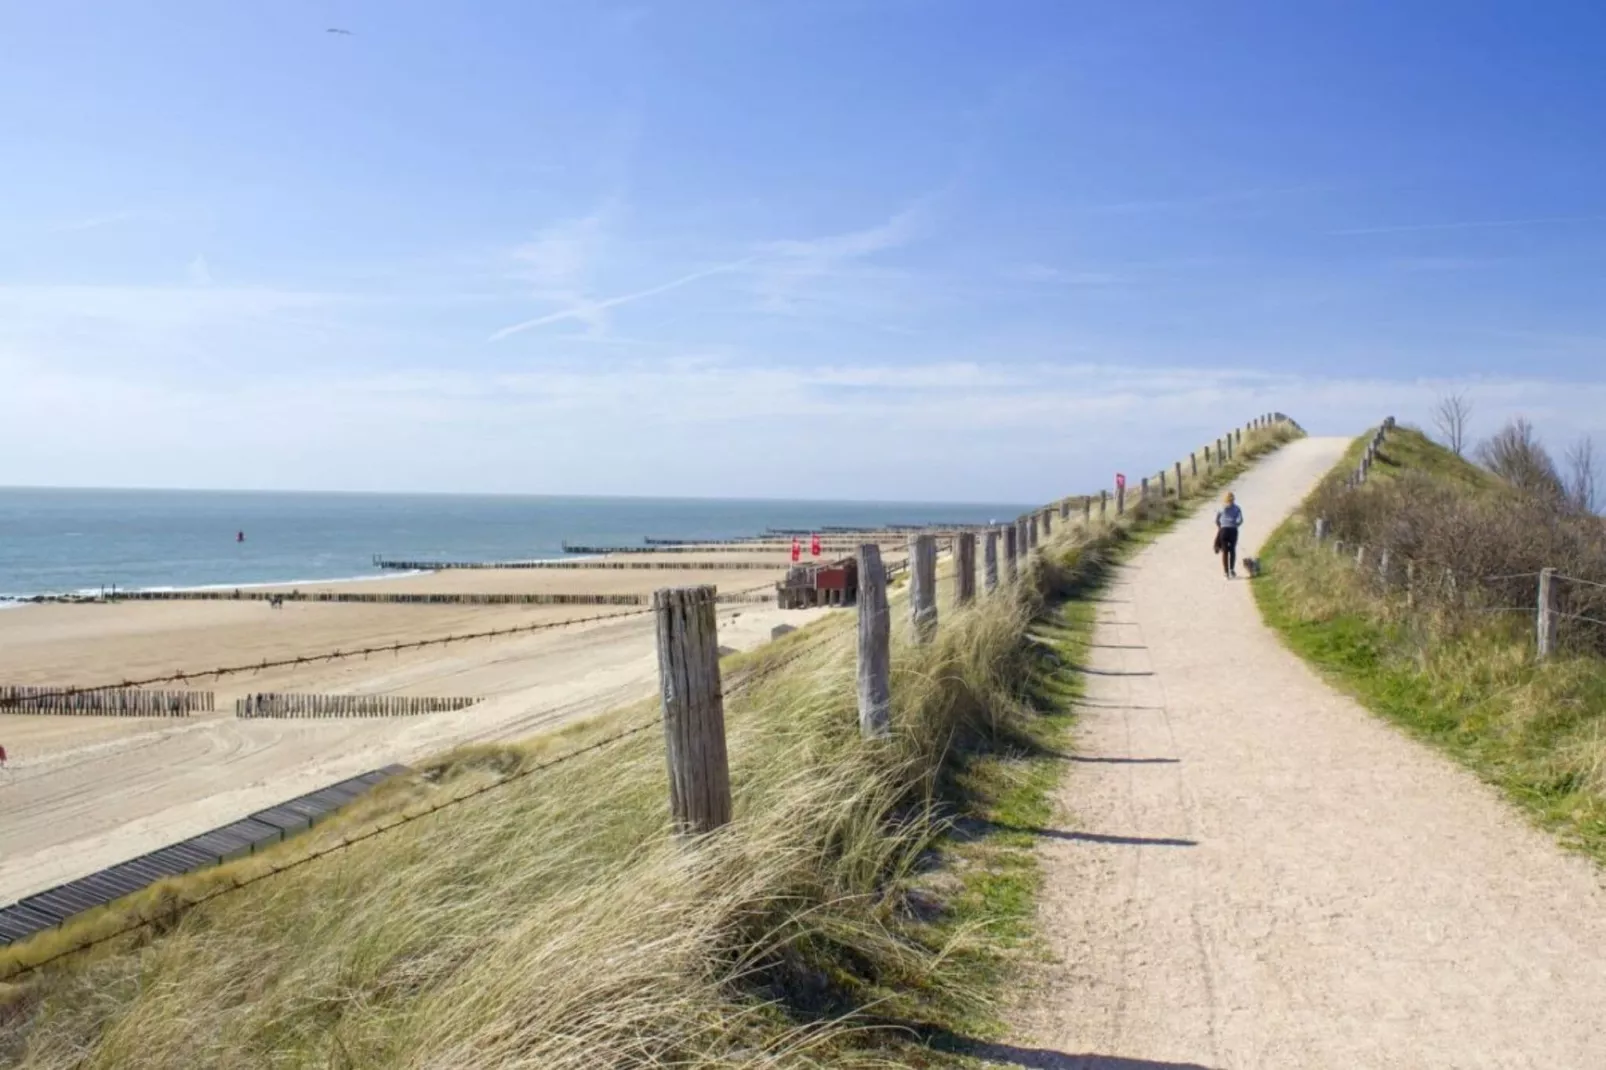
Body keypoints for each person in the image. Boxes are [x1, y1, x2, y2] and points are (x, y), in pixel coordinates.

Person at [1215, 492, 1244, 578]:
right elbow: (1240, 520)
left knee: (1225, 551)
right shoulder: (1237, 508)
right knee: (1232, 550)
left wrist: (1220, 527)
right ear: (1233, 500)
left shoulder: (1221, 508)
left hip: (1224, 530)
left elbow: (1217, 520)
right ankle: (1231, 569)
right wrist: (1235, 525)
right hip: (1233, 530)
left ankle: (1226, 572)